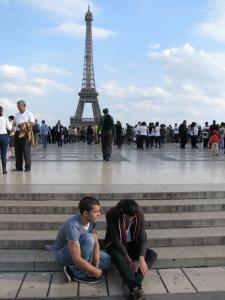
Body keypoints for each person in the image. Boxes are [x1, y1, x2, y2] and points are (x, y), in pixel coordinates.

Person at [105, 199, 157, 300]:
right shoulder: (111, 214)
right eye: (127, 216)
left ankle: (131, 284)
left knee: (152, 255)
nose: (129, 219)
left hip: (133, 245)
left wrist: (141, 258)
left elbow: (143, 239)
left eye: (132, 217)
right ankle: (136, 288)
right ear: (122, 212)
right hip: (116, 245)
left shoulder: (139, 214)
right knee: (118, 257)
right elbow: (116, 240)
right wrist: (128, 259)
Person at [54, 196, 111, 284]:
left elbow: (96, 244)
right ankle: (79, 274)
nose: (99, 214)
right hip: (63, 253)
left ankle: (73, 268)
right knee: (88, 238)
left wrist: (95, 268)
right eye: (96, 212)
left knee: (107, 260)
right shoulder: (73, 226)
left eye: (99, 211)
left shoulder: (92, 221)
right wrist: (96, 271)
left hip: (82, 249)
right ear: (85, 213)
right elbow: (76, 258)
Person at [14, 100, 35, 172]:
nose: (18, 108)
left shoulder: (29, 113)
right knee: (18, 151)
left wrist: (25, 126)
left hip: (25, 134)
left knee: (26, 151)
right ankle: (19, 167)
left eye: (19, 106)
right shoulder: (16, 115)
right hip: (17, 133)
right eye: (18, 106)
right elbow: (15, 123)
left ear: (24, 106)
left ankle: (27, 167)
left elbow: (32, 123)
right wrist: (18, 125)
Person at [0, 106, 12, 174]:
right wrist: (11, 123)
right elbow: (9, 128)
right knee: (3, 154)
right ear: (2, 111)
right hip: (4, 136)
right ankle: (4, 170)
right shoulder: (5, 118)